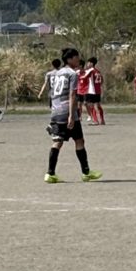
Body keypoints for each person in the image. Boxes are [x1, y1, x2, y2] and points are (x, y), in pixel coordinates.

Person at [44, 46, 101, 183]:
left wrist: (54, 110)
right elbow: (72, 95)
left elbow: (52, 93)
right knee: (79, 140)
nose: (78, 60)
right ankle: (86, 172)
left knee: (57, 141)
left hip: (56, 110)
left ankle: (50, 173)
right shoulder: (72, 74)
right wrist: (71, 115)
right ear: (69, 59)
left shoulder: (57, 73)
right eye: (76, 57)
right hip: (67, 111)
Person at [81, 57, 106, 127]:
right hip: (98, 91)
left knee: (92, 106)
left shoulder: (90, 70)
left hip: (91, 91)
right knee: (98, 105)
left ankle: (95, 121)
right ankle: (102, 120)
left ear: (91, 63)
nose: (87, 64)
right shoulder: (97, 71)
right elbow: (102, 80)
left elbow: (83, 77)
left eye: (88, 63)